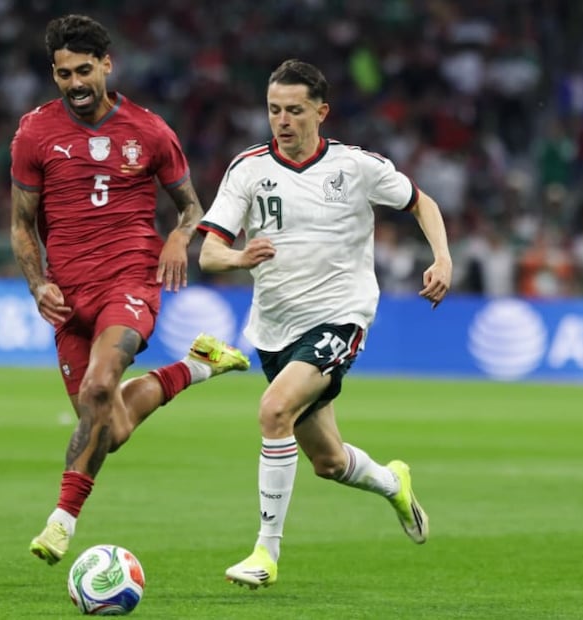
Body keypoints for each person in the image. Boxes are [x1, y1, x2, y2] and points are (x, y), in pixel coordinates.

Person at [197, 59, 452, 588]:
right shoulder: (247, 169)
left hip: (341, 316)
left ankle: (265, 554)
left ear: (321, 111)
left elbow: (420, 202)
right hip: (273, 329)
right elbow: (210, 255)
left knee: (273, 411)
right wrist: (240, 258)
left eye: (294, 110)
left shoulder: (356, 167)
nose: (282, 121)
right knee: (330, 463)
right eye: (273, 110)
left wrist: (442, 258)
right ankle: (393, 483)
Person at [10, 14, 250, 566]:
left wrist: (178, 239)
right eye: (64, 73)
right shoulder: (34, 133)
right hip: (68, 297)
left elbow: (191, 205)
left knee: (99, 387)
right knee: (108, 426)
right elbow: (22, 223)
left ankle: (60, 522)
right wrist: (37, 282)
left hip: (130, 279)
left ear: (107, 66)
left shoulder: (150, 131)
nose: (75, 83)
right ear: (54, 72)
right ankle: (195, 367)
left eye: (85, 70)